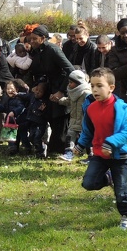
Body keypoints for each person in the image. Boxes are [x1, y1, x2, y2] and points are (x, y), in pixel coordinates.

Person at [74, 68, 127, 229]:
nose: (95, 90)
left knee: (121, 191)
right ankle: (107, 179)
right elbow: (88, 130)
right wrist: (80, 145)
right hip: (100, 155)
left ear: (111, 87)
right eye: (92, 86)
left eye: (99, 86)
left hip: (119, 156)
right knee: (88, 183)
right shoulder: (91, 108)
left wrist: (111, 143)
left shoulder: (121, 109)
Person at [26, 25, 75, 155]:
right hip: (48, 89)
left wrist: (61, 91)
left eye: (34, 39)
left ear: (43, 38)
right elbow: (37, 71)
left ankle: (59, 152)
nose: (31, 42)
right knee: (50, 119)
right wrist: (38, 84)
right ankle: (50, 150)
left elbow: (70, 70)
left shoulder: (53, 50)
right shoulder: (37, 52)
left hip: (60, 87)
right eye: (30, 39)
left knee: (60, 121)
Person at [55, 70, 92, 162]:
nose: (69, 84)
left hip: (85, 121)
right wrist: (59, 100)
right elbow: (69, 101)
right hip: (74, 120)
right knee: (70, 136)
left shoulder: (87, 93)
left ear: (78, 83)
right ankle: (68, 154)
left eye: (71, 82)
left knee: (87, 138)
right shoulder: (72, 93)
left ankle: (91, 156)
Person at [0, 79, 29, 156]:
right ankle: (12, 149)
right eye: (8, 89)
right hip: (11, 122)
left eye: (11, 89)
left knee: (23, 137)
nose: (9, 90)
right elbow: (4, 108)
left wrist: (14, 112)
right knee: (11, 138)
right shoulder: (8, 100)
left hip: (21, 122)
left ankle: (27, 149)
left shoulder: (19, 98)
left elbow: (21, 107)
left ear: (16, 89)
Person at [25, 80, 50, 158]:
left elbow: (46, 114)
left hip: (40, 123)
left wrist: (43, 110)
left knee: (37, 137)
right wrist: (17, 94)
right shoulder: (32, 96)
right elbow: (25, 96)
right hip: (32, 122)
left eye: (40, 91)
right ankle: (40, 147)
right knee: (31, 137)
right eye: (37, 90)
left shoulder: (45, 102)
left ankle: (40, 152)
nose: (38, 92)